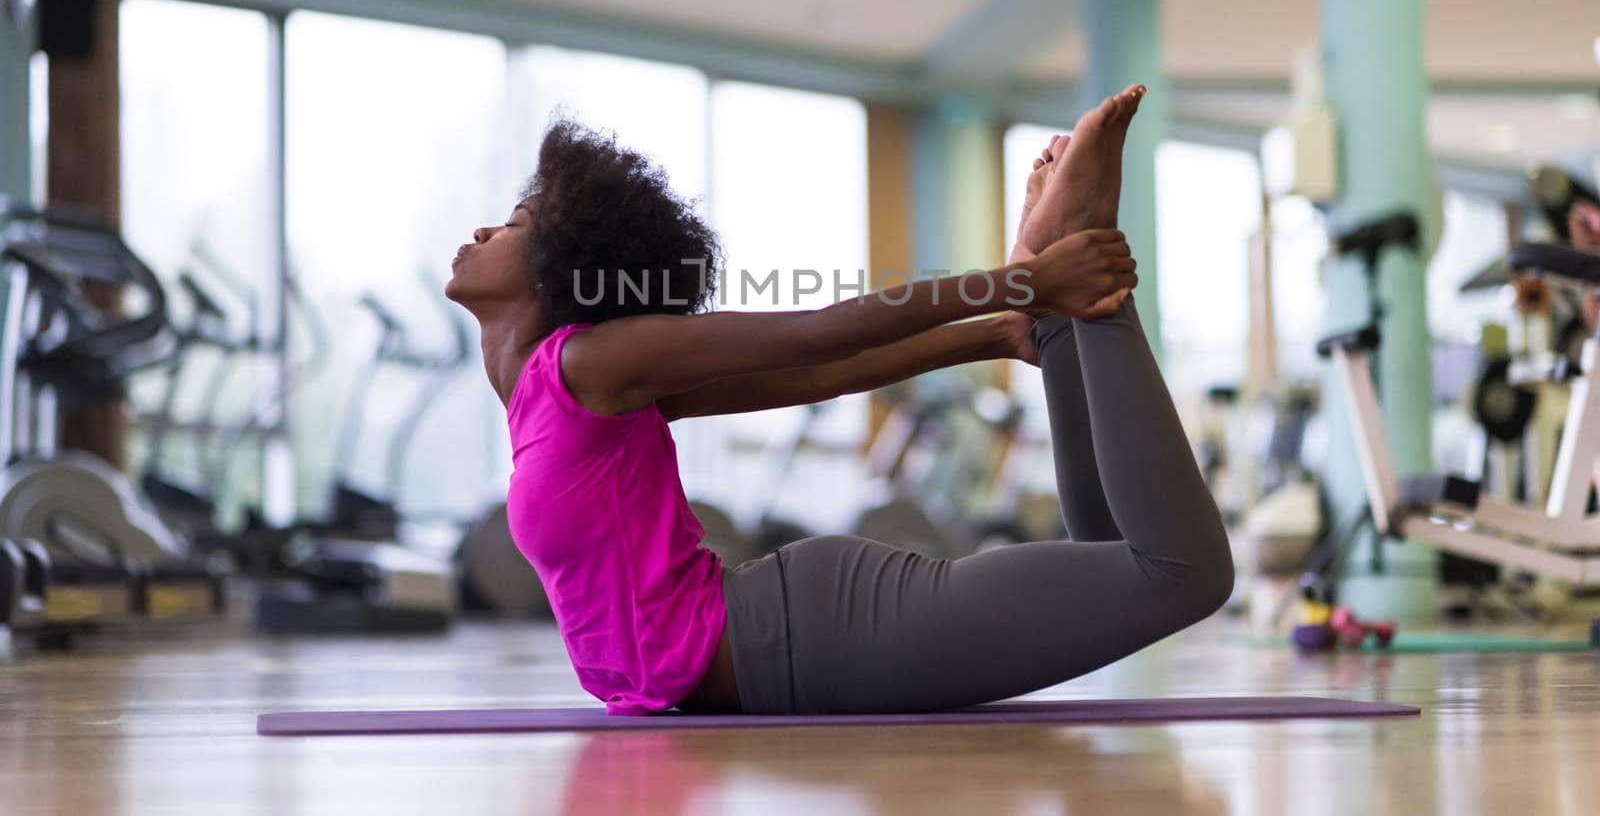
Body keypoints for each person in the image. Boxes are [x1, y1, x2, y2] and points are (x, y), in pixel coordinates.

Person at [445, 83, 1233, 716]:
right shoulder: (555, 399)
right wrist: (997, 333)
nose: (482, 231)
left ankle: (1086, 268)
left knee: (1184, 573)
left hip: (815, 637)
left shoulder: (592, 360)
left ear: (557, 268)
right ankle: (1063, 314)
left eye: (512, 224)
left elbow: (816, 335)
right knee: (1113, 558)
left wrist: (1021, 282)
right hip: (790, 641)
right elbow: (813, 381)